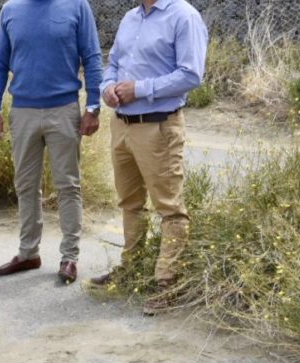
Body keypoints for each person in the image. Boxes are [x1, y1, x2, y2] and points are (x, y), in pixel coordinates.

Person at [90, 0, 206, 316]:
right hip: (123, 125)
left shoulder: (184, 16)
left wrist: (139, 89)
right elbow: (113, 63)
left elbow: (191, 74)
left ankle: (167, 284)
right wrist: (107, 87)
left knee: (169, 208)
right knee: (129, 203)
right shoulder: (131, 17)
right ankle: (132, 269)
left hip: (158, 126)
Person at [0, 0, 104, 284]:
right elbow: (0, 63)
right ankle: (28, 253)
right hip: (22, 111)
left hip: (63, 111)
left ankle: (69, 258)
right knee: (26, 185)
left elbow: (91, 57)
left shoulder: (77, 7)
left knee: (68, 186)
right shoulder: (10, 10)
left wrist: (93, 106)